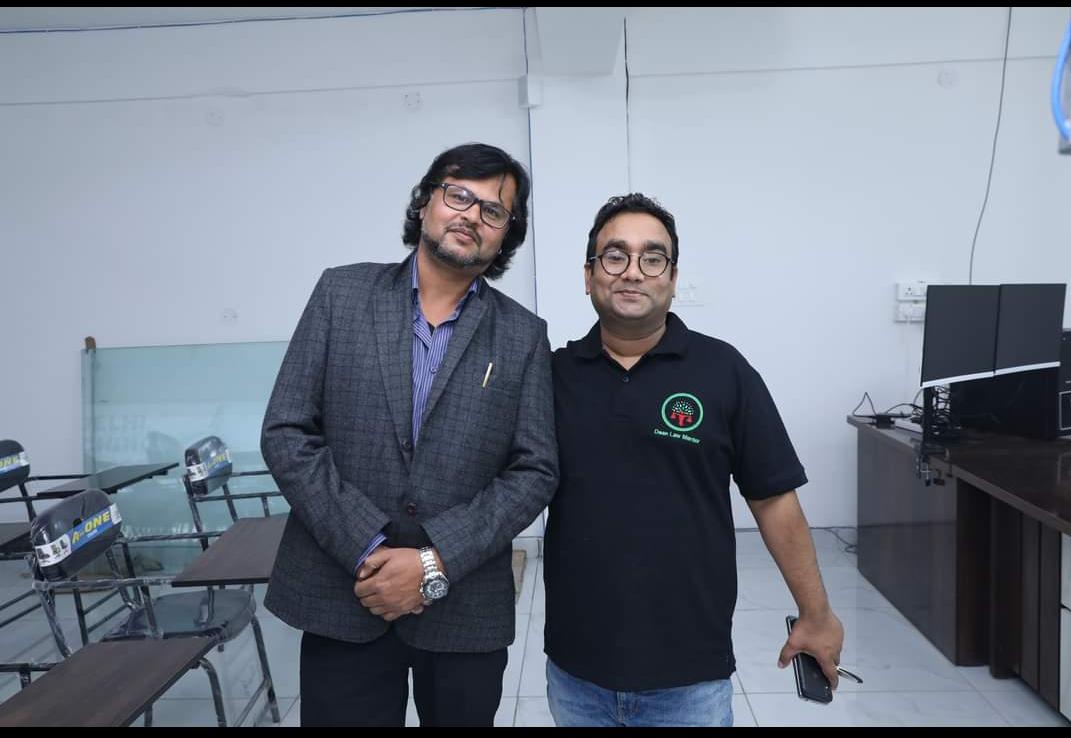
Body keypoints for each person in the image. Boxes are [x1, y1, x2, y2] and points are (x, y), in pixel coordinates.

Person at [261, 142, 558, 727]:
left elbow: (534, 470)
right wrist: (367, 550)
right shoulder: (341, 295)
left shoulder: (522, 335)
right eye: (458, 195)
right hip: (343, 595)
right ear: (425, 202)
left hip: (462, 605)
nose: (471, 215)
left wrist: (431, 563)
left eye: (493, 210)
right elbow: (287, 431)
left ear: (506, 236)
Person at [543, 193, 844, 727]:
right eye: (614, 255)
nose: (632, 271)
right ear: (588, 276)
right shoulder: (552, 376)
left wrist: (816, 613)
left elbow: (774, 500)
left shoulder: (724, 371)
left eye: (652, 257)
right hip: (577, 671)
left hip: (690, 674)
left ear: (673, 278)